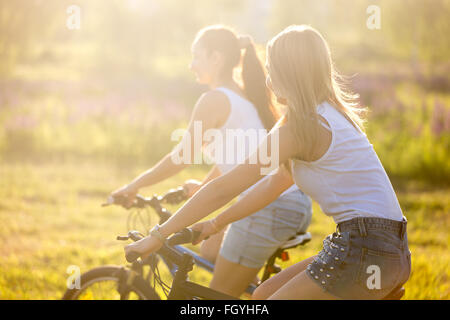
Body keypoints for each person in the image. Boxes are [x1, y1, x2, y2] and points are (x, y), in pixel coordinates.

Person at [121, 24, 411, 300]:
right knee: (261, 295)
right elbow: (275, 184)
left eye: (273, 70)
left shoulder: (300, 128)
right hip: (387, 247)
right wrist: (215, 223)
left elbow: (226, 188)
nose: (268, 81)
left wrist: (157, 236)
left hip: (365, 248)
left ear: (290, 73)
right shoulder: (329, 115)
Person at [110, 25, 312, 298]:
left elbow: (181, 157)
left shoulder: (215, 100)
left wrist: (133, 185)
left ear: (216, 58)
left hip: (270, 206)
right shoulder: (246, 97)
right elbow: (240, 156)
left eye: (196, 56)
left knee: (215, 299)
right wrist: (204, 184)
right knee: (209, 249)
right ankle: (245, 282)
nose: (191, 65)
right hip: (289, 202)